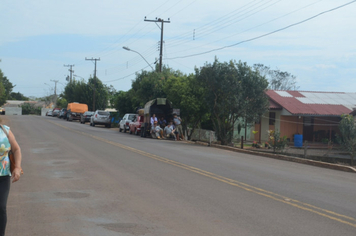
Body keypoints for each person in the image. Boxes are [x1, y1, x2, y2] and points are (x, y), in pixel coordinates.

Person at [0, 125, 22, 236]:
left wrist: (17, 168)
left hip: (2, 176)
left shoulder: (5, 130)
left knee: (1, 207)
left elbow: (16, 149)